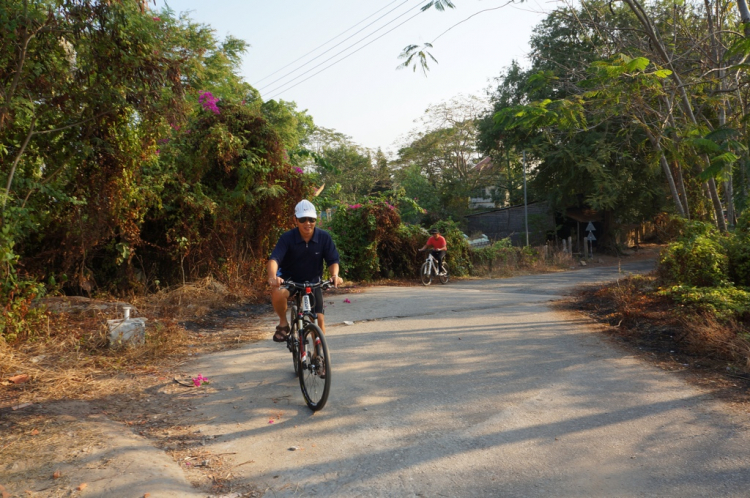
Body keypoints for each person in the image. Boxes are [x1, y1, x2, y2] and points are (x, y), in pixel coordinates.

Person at [267, 199, 343, 342]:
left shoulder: (324, 237)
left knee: (319, 320)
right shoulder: (287, 238)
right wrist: (272, 277)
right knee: (277, 292)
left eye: (311, 219)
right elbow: (274, 259)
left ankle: (319, 355)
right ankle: (283, 323)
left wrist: (335, 275)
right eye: (303, 219)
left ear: (316, 219)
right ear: (296, 220)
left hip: (313, 282)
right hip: (290, 280)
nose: (307, 223)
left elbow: (333, 260)